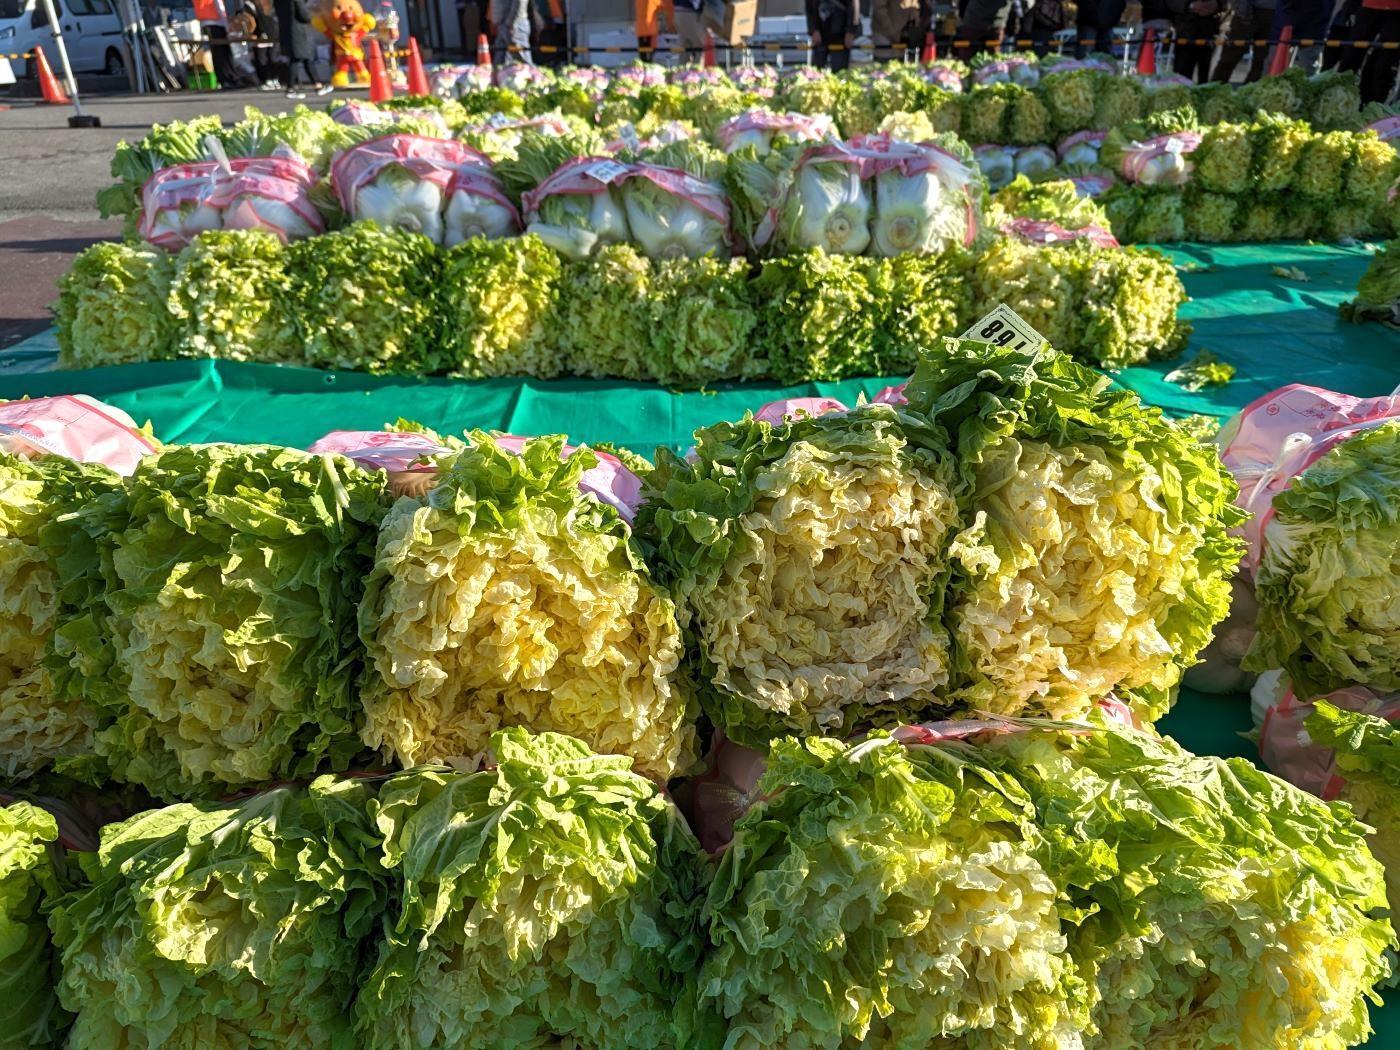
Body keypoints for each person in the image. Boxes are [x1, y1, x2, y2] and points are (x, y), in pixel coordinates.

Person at [1339, 0, 1400, 103]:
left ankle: (1372, 109)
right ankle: (1338, 98)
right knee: (1349, 60)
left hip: (1396, 13)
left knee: (1382, 66)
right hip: (1369, 7)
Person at [274, 0, 331, 98]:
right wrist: (311, 15)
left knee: (306, 58)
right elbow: (304, 15)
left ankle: (318, 85)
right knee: (296, 59)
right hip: (298, 32)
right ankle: (290, 89)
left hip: (286, 30)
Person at [1212, 0, 1274, 81]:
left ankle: (1252, 91)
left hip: (1272, 12)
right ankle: (1215, 89)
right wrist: (1239, 6)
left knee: (1262, 62)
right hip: (1244, 11)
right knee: (1229, 58)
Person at [1169, 0, 1223, 80]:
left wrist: (1217, 4)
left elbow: (1224, 3)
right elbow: (1172, 3)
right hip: (1185, 28)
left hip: (1209, 28)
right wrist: (1191, 6)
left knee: (1204, 71)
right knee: (1182, 72)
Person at [238, 0, 282, 89]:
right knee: (271, 57)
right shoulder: (267, 3)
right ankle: (274, 79)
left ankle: (268, 80)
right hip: (272, 31)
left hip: (261, 33)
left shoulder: (249, 5)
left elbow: (250, 20)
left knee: (262, 58)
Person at [806, 0, 859, 68]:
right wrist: (813, 30)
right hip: (820, 33)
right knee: (817, 69)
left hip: (840, 33)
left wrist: (850, 31)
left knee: (839, 69)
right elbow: (809, 8)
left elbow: (853, 6)